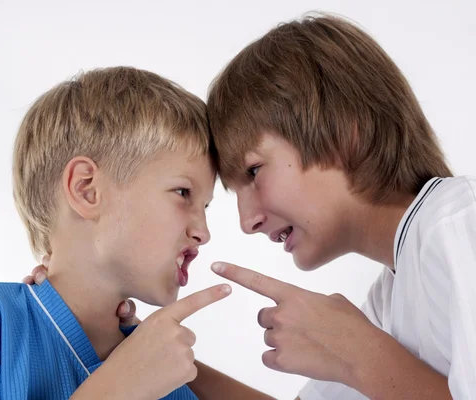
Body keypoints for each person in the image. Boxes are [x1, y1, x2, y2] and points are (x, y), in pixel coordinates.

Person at [30, 14, 476, 399]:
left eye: (255, 172)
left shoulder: (456, 223)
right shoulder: (392, 294)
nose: (247, 221)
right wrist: (143, 353)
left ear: (344, 133)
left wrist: (358, 353)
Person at [0, 67, 276, 399]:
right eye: (183, 193)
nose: (203, 232)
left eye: (207, 207)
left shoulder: (167, 377)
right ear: (87, 190)